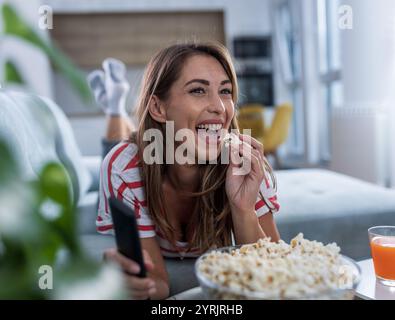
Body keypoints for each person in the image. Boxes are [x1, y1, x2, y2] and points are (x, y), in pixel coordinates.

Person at [95, 43, 280, 300]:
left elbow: (274, 278)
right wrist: (136, 285)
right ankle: (114, 106)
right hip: (135, 156)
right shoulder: (124, 168)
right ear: (159, 108)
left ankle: (114, 104)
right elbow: (158, 285)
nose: (219, 107)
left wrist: (243, 208)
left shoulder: (245, 163)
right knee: (116, 146)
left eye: (225, 91)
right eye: (198, 90)